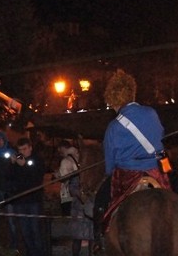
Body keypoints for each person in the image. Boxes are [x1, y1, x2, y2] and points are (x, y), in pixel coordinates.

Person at [95, 69, 171, 245]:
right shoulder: (152, 112)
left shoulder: (114, 126)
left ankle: (100, 238)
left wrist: (109, 171)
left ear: (114, 100)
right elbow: (161, 134)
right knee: (174, 189)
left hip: (128, 174)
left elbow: (110, 162)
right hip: (157, 169)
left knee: (101, 199)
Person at [8, 137, 46, 256]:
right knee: (25, 231)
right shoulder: (17, 161)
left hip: (33, 201)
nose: (22, 152)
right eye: (19, 150)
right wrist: (13, 164)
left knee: (35, 229)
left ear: (30, 147)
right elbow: (11, 179)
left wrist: (24, 166)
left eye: (24, 149)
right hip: (20, 201)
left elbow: (37, 177)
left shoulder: (37, 160)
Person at [56, 140, 79, 216]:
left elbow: (63, 177)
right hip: (78, 192)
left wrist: (57, 175)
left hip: (67, 193)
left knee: (67, 215)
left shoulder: (65, 161)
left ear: (62, 148)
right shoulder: (78, 156)